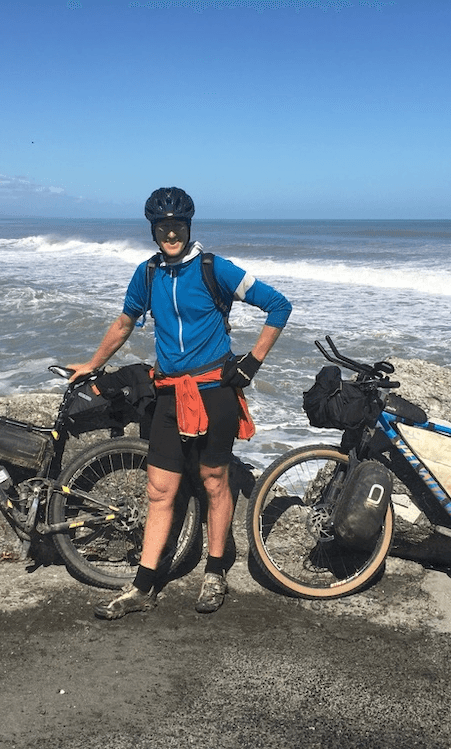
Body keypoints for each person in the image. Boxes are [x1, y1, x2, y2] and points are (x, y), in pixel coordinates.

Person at [69, 187, 292, 618]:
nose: (170, 233)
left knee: (213, 481)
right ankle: (143, 585)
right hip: (169, 394)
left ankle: (214, 571)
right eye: (162, 227)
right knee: (160, 490)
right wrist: (93, 363)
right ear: (153, 230)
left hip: (214, 393)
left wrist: (252, 362)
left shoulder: (215, 269)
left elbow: (278, 306)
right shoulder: (148, 274)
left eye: (177, 226)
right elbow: (124, 322)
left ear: (188, 227)